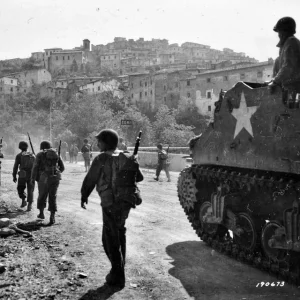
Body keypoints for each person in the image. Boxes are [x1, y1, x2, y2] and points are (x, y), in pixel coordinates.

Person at [81, 129, 143, 288]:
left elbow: (90, 179)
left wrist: (84, 195)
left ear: (106, 142)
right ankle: (119, 270)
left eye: (99, 141)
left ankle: (117, 275)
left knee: (109, 238)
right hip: (126, 202)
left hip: (110, 203)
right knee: (120, 233)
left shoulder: (101, 159)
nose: (97, 143)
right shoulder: (127, 156)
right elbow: (140, 177)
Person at [31, 141, 65, 225]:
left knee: (42, 195)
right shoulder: (56, 154)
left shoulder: (39, 155)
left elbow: (35, 167)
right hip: (55, 178)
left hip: (43, 178)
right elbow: (63, 168)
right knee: (53, 196)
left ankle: (41, 213)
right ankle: (52, 216)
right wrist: (55, 172)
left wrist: (33, 178)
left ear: (41, 147)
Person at [268, 17, 300, 93]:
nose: (279, 35)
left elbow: (288, 66)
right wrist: (274, 80)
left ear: (285, 31)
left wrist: (275, 81)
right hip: (290, 88)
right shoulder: (287, 44)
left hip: (294, 88)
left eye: (280, 32)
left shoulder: (291, 42)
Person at [12, 141, 35, 211]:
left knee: (21, 188)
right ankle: (29, 205)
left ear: (20, 147)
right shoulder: (32, 155)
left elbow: (15, 166)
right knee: (30, 190)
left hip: (22, 174)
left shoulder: (19, 155)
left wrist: (14, 176)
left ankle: (23, 200)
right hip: (31, 174)